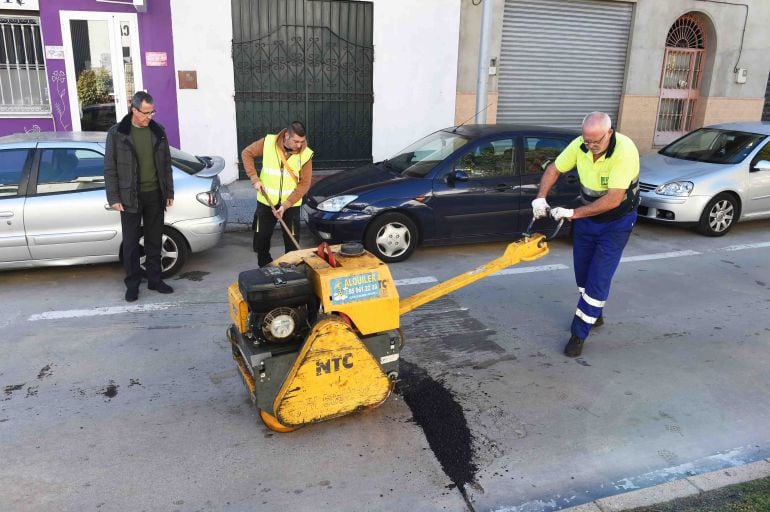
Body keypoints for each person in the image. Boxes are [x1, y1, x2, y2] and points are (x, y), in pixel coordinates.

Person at [532, 112, 639, 357]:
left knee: (598, 278)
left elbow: (613, 200)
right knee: (583, 273)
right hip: (588, 220)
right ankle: (594, 312)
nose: (590, 147)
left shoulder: (625, 151)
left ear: (609, 134)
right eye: (586, 141)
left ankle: (578, 334)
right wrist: (540, 198)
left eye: (595, 142)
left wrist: (573, 213)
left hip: (616, 223)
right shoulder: (580, 145)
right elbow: (554, 169)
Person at [104, 91, 174, 302]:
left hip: (155, 194)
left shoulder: (158, 131)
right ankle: (132, 284)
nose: (149, 117)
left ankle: (155, 280)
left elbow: (166, 165)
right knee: (131, 244)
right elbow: (109, 168)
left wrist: (168, 192)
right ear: (133, 110)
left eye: (152, 112)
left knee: (154, 240)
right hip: (129, 197)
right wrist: (114, 197)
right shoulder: (117, 133)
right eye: (145, 113)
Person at [241, 121, 314, 267]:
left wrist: (286, 205)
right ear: (287, 135)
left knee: (292, 242)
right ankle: (265, 267)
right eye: (296, 141)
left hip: (291, 206)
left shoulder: (305, 155)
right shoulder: (268, 143)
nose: (299, 145)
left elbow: (305, 183)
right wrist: (254, 178)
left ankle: (291, 271)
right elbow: (246, 153)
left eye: (302, 141)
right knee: (261, 239)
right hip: (266, 202)